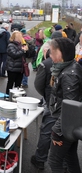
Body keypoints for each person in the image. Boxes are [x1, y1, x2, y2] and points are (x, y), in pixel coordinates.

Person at [47, 38, 82, 173]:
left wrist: (57, 132)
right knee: (70, 157)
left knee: (54, 161)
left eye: (53, 52)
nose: (50, 55)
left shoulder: (69, 74)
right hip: (68, 125)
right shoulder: (70, 66)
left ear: (62, 53)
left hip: (65, 126)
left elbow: (70, 108)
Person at [31, 41, 55, 170]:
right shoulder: (73, 64)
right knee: (64, 132)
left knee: (46, 131)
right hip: (68, 103)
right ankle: (64, 163)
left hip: (51, 102)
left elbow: (38, 85)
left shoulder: (45, 64)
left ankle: (40, 159)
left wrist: (45, 96)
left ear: (46, 51)